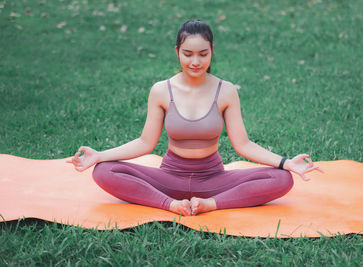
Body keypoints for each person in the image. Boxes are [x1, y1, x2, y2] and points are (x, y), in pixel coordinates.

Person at [67, 20, 323, 216]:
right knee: (104, 171)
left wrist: (286, 163)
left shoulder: (226, 91)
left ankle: (210, 205)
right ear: (177, 51)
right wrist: (100, 155)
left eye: (203, 53)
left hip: (213, 179)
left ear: (212, 51)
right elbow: (145, 143)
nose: (195, 61)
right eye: (188, 53)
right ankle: (170, 205)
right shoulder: (161, 90)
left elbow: (243, 145)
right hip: (168, 178)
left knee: (281, 179)